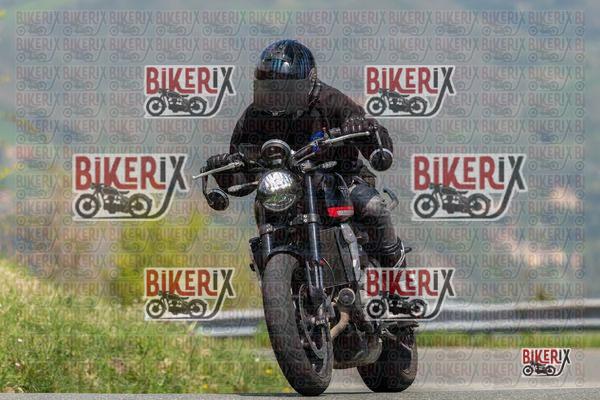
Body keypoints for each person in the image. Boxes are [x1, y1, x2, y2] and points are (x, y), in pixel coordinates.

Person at [207, 39, 404, 270]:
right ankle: (271, 264)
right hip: (285, 188)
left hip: (341, 178)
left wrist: (363, 130)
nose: (277, 96)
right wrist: (225, 172)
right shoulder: (254, 117)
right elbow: (244, 171)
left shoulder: (331, 101)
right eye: (270, 89)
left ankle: (394, 270)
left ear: (309, 83)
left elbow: (373, 137)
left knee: (372, 206)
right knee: (263, 203)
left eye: (285, 89)